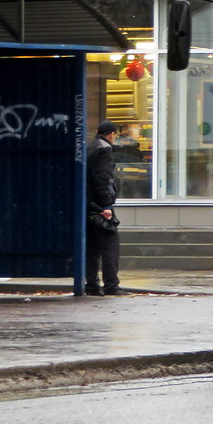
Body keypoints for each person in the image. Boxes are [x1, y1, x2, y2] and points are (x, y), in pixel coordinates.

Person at [86, 121, 125, 297]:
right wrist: (107, 205)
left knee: (93, 247)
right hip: (100, 207)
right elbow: (103, 180)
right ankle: (111, 285)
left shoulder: (90, 146)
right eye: (115, 135)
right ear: (111, 134)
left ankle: (92, 285)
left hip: (87, 205)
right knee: (110, 244)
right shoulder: (104, 150)